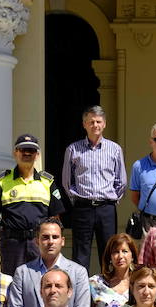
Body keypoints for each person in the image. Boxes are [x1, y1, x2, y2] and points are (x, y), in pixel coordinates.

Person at [0, 134, 65, 275]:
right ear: (15, 153)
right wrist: (4, 235)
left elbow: (55, 217)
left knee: (42, 281)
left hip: (39, 243)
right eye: (23, 149)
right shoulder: (2, 181)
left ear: (37, 155)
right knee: (12, 282)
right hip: (12, 245)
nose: (27, 153)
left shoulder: (47, 182)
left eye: (31, 150)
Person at [61, 105, 127, 269]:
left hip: (106, 208)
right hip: (82, 207)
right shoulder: (73, 149)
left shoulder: (115, 149)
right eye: (91, 122)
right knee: (80, 254)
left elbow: (121, 181)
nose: (95, 125)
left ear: (104, 124)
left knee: (109, 252)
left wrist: (110, 200)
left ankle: (108, 291)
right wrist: (78, 198)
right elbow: (67, 181)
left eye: (98, 121)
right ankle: (80, 291)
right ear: (84, 124)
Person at [8, 217, 90, 307]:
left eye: (55, 237)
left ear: (62, 241)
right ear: (37, 241)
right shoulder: (22, 272)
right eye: (45, 237)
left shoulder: (78, 272)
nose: (51, 241)